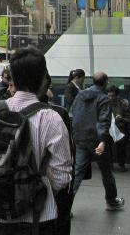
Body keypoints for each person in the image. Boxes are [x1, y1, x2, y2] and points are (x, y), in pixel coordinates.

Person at [0, 46, 72, 234]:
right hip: (38, 219)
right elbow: (62, 177)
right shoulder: (51, 117)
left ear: (12, 77)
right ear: (43, 79)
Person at [70, 71, 125, 211]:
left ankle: (66, 206)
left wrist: (75, 135)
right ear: (106, 82)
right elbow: (103, 121)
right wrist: (102, 140)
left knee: (76, 174)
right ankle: (111, 201)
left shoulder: (81, 95)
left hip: (81, 140)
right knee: (106, 172)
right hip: (96, 141)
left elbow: (73, 114)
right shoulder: (104, 98)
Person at [37, 73, 74, 235]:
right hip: (46, 201)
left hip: (5, 209)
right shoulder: (57, 114)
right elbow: (62, 175)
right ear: (46, 88)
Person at [107, 85, 130, 172]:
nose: (110, 98)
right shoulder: (105, 103)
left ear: (117, 95)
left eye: (112, 96)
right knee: (105, 139)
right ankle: (109, 163)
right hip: (109, 128)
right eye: (109, 95)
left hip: (121, 128)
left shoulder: (124, 103)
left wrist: (121, 118)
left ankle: (121, 164)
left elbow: (129, 119)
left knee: (121, 141)